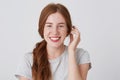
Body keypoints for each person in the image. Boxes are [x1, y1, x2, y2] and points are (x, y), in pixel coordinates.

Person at [15, 3, 91, 80]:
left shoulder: (81, 55)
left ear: (68, 30)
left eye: (60, 26)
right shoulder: (28, 60)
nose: (55, 32)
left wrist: (71, 51)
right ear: (42, 28)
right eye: (49, 25)